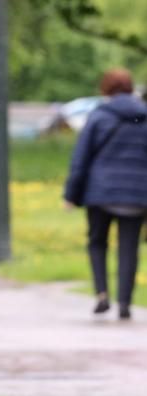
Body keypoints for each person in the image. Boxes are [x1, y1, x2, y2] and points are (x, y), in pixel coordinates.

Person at [64, 68, 147, 321]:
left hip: (100, 192)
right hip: (137, 193)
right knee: (129, 247)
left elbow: (81, 158)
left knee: (97, 242)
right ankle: (124, 302)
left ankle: (102, 294)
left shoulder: (99, 117)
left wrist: (71, 194)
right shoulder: (143, 117)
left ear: (106, 88)